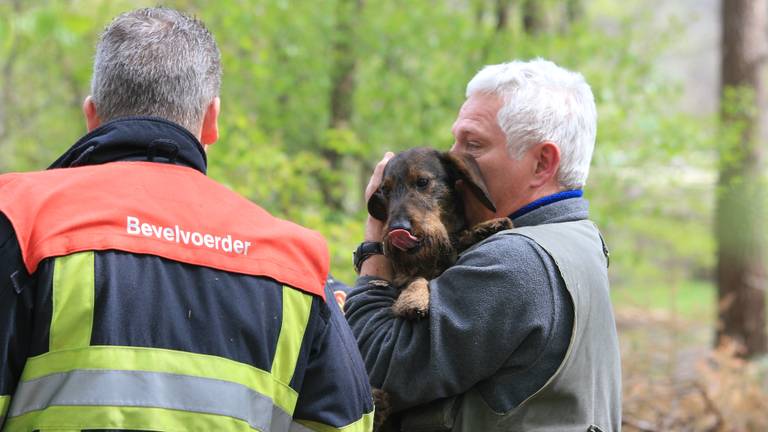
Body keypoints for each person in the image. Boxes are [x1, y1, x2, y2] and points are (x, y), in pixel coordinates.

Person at [0, 8, 373, 431]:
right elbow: (346, 423)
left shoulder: (20, 218)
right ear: (212, 120)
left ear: (92, 116)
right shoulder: (294, 263)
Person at [346, 59, 621, 431]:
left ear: (542, 163)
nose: (453, 158)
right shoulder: (578, 238)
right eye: (456, 139)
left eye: (473, 144)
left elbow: (370, 366)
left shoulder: (516, 263)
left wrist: (375, 244)